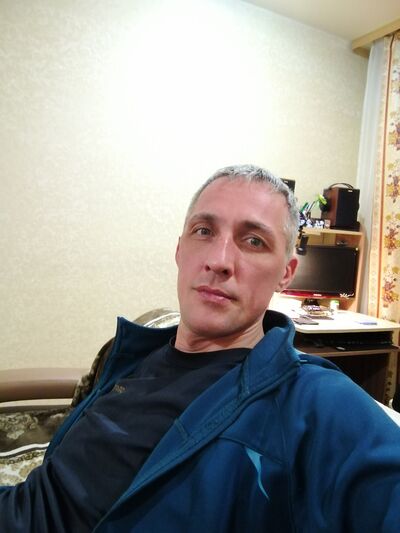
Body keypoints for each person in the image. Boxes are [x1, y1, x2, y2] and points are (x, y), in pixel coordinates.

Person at [1, 164, 400, 532]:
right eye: (204, 231)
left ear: (286, 273)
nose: (219, 260)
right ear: (180, 250)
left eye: (254, 240)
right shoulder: (129, 355)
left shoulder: (314, 401)